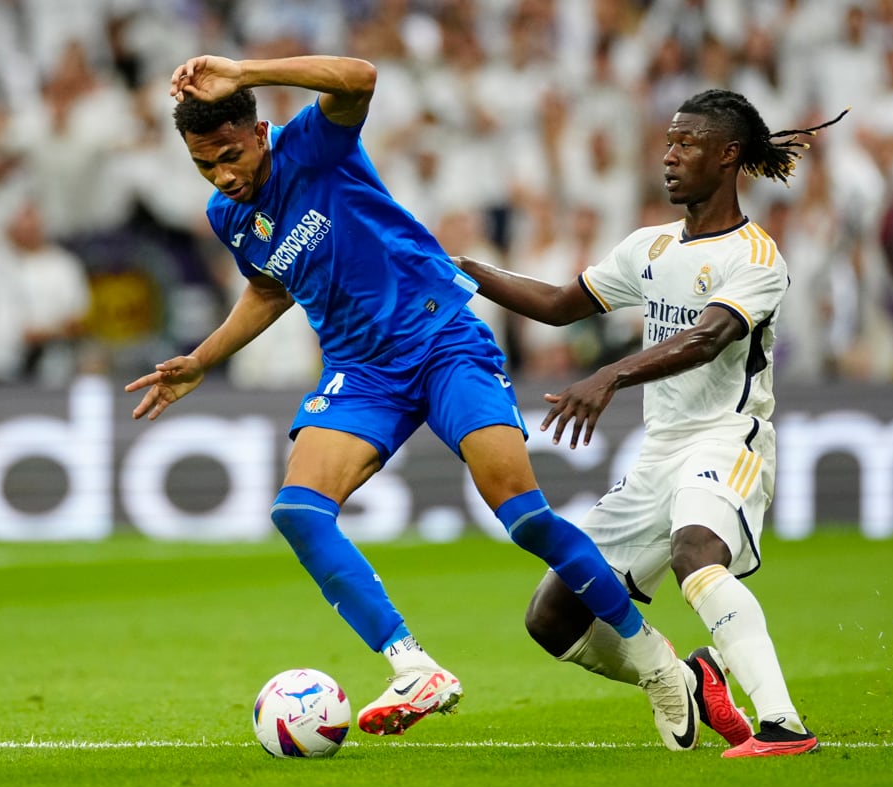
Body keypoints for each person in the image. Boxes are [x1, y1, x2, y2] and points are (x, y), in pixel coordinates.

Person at [125, 54, 689, 742]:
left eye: (229, 155)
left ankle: (657, 663)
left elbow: (360, 76)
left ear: (260, 132)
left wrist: (244, 69)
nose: (222, 176)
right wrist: (203, 359)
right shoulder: (230, 216)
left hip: (442, 340)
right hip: (362, 373)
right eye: (204, 165)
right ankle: (412, 665)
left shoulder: (313, 144)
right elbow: (270, 288)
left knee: (523, 516)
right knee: (298, 512)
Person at [457, 89, 846, 757]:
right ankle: (681, 678)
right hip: (658, 454)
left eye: (686, 144)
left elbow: (704, 338)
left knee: (699, 551)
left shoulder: (755, 258)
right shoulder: (650, 246)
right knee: (552, 616)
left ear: (728, 157)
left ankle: (782, 723)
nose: (668, 157)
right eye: (667, 142)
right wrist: (462, 269)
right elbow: (555, 305)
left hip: (727, 438)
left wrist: (609, 374)